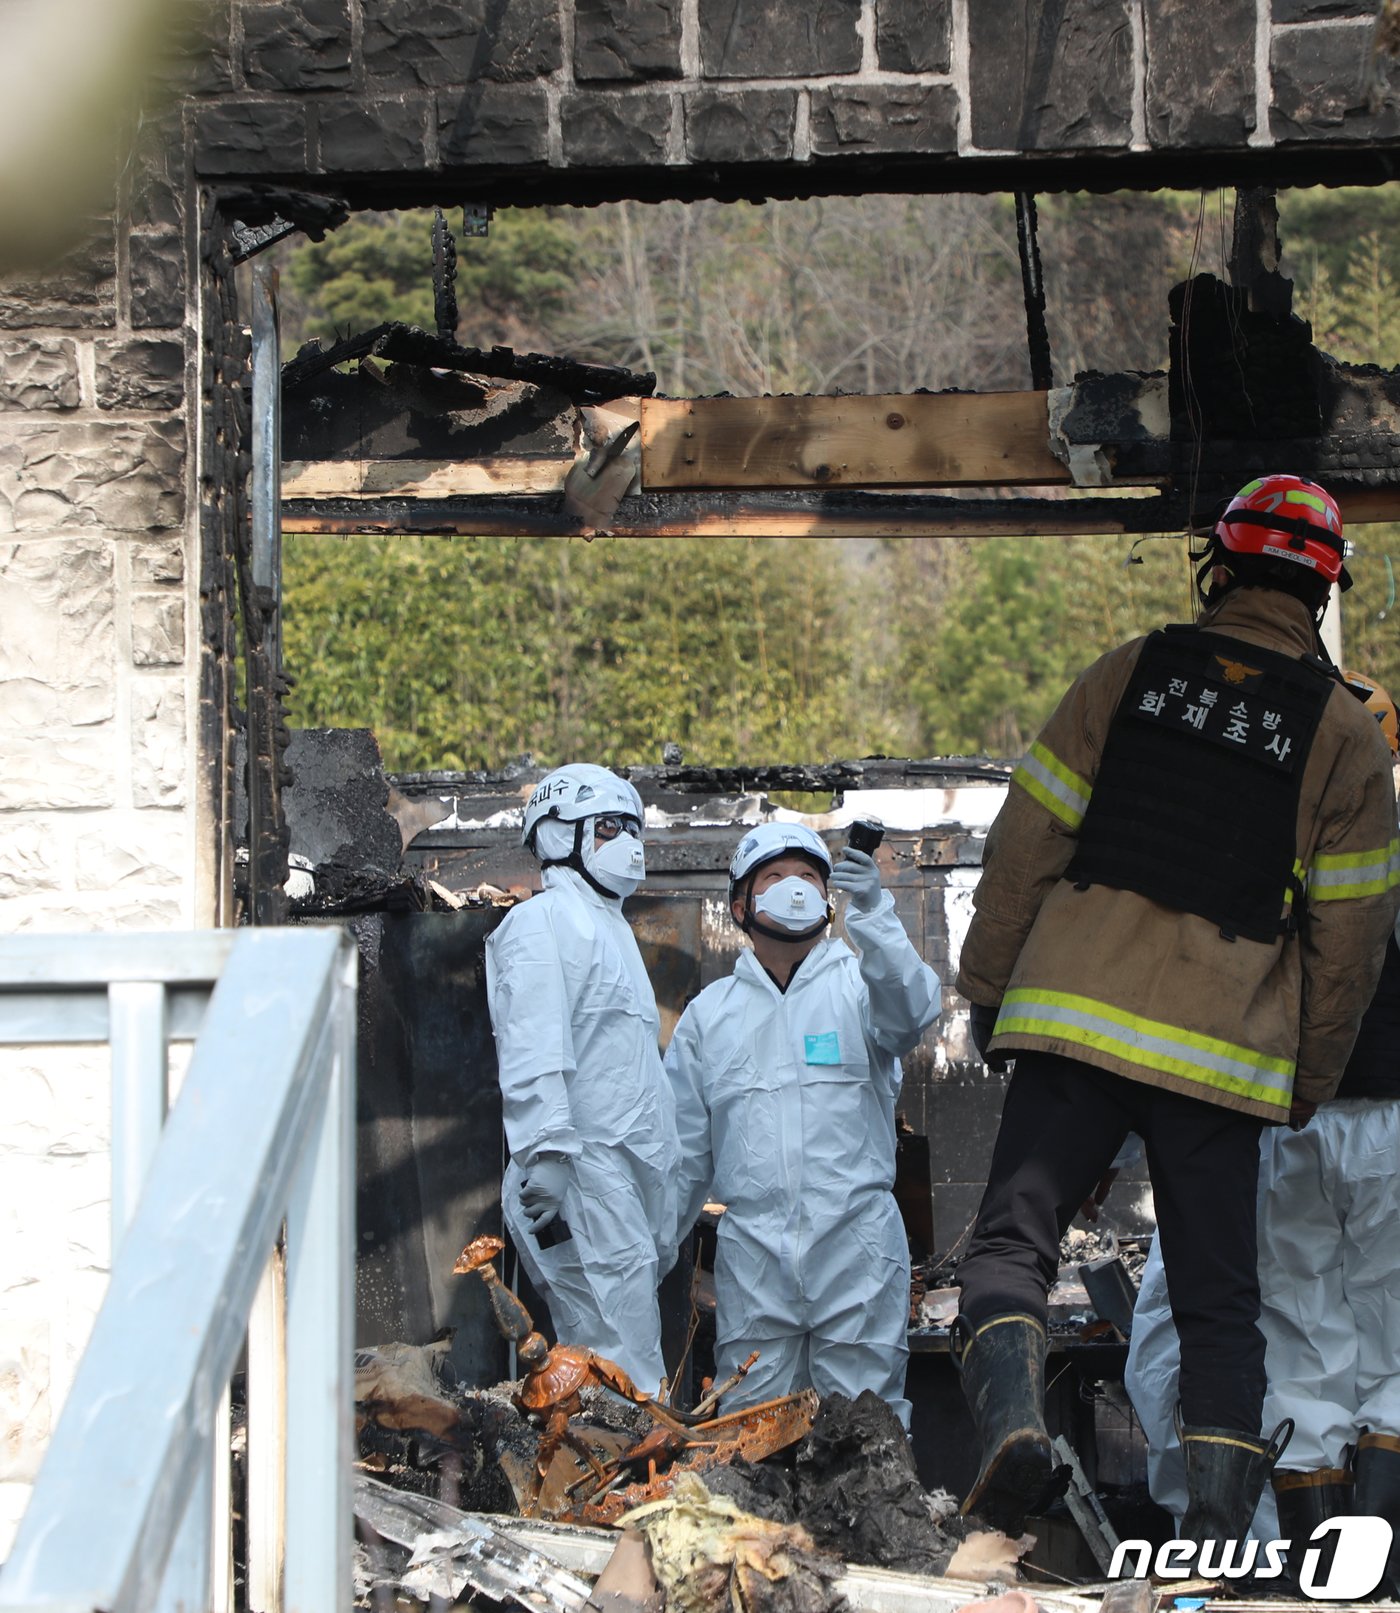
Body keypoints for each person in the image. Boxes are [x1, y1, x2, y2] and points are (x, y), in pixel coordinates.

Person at [952, 474, 1400, 1540]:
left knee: (1012, 1237)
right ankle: (1212, 1523)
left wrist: (985, 988)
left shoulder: (1127, 673)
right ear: (1325, 581)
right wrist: (1306, 1080)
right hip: (1219, 1050)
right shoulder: (1346, 739)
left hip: (1072, 1011)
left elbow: (1023, 842)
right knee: (1218, 1304)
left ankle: (1013, 1424)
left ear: (1217, 564)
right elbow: (1347, 943)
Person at [665, 822, 941, 1428]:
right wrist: (657, 1247)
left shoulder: (860, 992)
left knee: (865, 1435)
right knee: (751, 1436)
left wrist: (874, 910)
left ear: (829, 899)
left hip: (856, 1253)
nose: (795, 889)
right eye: (775, 877)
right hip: (755, 1260)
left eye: (810, 877)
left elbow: (913, 1009)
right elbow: (683, 1157)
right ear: (741, 904)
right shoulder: (711, 1018)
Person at [484, 763, 681, 1394]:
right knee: (618, 1364)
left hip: (617, 1184)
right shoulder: (541, 925)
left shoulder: (610, 928)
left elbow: (631, 1075)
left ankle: (622, 1482)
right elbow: (533, 1048)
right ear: (554, 836)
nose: (629, 843)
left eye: (634, 828)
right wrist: (545, 1154)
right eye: (609, 827)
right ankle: (629, 1488)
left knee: (621, 1354)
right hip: (578, 1178)